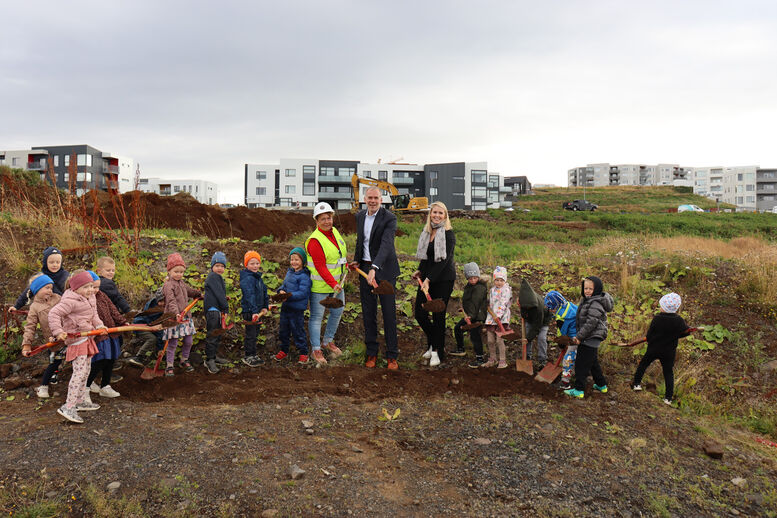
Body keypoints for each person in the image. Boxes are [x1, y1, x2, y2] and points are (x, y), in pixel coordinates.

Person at [350, 186, 400, 370]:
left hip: (384, 270)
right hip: (365, 269)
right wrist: (357, 260)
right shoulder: (360, 216)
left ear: (381, 199)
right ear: (365, 199)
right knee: (368, 313)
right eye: (369, 198)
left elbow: (386, 245)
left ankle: (392, 355)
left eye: (376, 198)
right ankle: (371, 352)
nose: (372, 201)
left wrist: (374, 267)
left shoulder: (389, 218)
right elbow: (361, 241)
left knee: (389, 313)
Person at [48, 270, 107, 423]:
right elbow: (54, 314)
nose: (90, 290)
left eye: (91, 286)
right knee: (79, 373)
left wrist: (100, 326)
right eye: (86, 287)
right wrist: (58, 331)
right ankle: (68, 406)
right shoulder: (70, 300)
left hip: (87, 337)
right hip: (76, 340)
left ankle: (80, 401)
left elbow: (94, 315)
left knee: (86, 371)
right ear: (75, 288)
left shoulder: (90, 297)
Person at [413, 201, 456, 367]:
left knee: (438, 316)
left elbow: (444, 261)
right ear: (430, 214)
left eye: (440, 213)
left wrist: (428, 279)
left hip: (443, 280)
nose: (437, 215)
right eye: (434, 212)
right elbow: (426, 257)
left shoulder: (449, 234)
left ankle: (437, 352)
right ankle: (434, 342)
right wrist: (420, 271)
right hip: (427, 279)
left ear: (445, 216)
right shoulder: (427, 232)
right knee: (420, 313)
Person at [305, 202, 348, 365]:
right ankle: (316, 350)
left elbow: (338, 255)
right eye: (323, 219)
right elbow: (320, 266)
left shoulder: (334, 232)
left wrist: (346, 265)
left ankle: (327, 341)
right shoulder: (314, 241)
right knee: (317, 317)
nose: (327, 221)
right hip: (321, 286)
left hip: (337, 284)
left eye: (329, 218)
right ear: (316, 221)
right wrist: (332, 283)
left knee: (337, 311)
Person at [632, 292, 691, 405]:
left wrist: (650, 339)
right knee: (668, 372)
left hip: (654, 348)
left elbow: (649, 335)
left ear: (664, 307)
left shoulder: (657, 318)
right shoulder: (679, 320)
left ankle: (636, 384)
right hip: (669, 352)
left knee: (643, 364)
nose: (660, 307)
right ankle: (668, 398)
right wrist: (679, 334)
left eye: (661, 305)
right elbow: (684, 333)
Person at [564, 276, 613, 399]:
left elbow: (591, 323)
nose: (587, 291)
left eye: (591, 289)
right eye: (585, 288)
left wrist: (579, 337)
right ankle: (601, 385)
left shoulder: (595, 303)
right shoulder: (588, 300)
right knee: (592, 362)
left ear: (597, 289)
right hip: (590, 336)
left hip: (590, 337)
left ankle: (579, 389)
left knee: (581, 364)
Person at [20, 274, 61, 399]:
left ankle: (85, 383)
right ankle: (43, 386)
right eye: (46, 288)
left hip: (68, 335)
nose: (50, 291)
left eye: (51, 288)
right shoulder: (35, 307)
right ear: (36, 289)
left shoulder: (57, 298)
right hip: (54, 340)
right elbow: (30, 326)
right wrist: (27, 344)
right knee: (55, 362)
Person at [161, 253, 202, 376]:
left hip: (185, 317)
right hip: (174, 318)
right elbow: (171, 301)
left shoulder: (182, 283)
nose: (179, 274)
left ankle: (184, 359)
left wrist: (198, 294)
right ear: (169, 271)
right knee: (173, 343)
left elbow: (189, 291)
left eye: (181, 272)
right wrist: (176, 313)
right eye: (176, 272)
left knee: (188, 341)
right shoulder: (168, 285)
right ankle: (169, 365)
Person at [88, 272, 126, 398]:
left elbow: (113, 309)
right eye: (93, 287)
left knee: (111, 359)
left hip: (110, 332)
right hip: (98, 335)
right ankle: (87, 384)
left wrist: (122, 321)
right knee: (101, 359)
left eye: (97, 287)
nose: (96, 290)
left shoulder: (102, 295)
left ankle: (105, 385)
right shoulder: (86, 299)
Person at [274, 247, 311, 363]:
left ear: (302, 261)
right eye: (292, 259)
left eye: (296, 260)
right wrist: (281, 291)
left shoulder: (304, 276)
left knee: (297, 330)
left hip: (296, 309)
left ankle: (304, 353)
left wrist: (289, 296)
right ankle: (284, 350)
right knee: (283, 330)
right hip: (286, 307)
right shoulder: (289, 272)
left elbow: (303, 293)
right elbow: (284, 285)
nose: (293, 262)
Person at [11, 246, 68, 312]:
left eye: (58, 262)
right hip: (44, 308)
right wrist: (16, 306)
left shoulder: (66, 276)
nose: (55, 265)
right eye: (51, 262)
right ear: (45, 263)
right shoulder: (41, 277)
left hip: (63, 306)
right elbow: (28, 292)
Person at [452, 262, 488, 367]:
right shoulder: (469, 286)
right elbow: (468, 301)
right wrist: (465, 310)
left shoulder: (480, 288)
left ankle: (480, 358)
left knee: (475, 335)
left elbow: (475, 303)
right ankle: (461, 349)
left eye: (475, 278)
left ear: (478, 276)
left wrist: (471, 316)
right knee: (458, 328)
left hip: (477, 316)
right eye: (470, 278)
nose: (472, 280)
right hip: (470, 315)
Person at [544, 290, 578, 390]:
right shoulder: (569, 306)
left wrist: (561, 342)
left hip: (574, 339)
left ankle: (565, 382)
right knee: (579, 357)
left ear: (555, 306)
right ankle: (581, 374)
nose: (551, 311)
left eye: (551, 308)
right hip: (582, 335)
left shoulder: (561, 317)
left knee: (568, 359)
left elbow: (562, 332)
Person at [240, 250, 269, 367]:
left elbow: (264, 293)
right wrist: (254, 311)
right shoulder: (247, 279)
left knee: (255, 334)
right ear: (246, 265)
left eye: (257, 263)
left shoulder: (258, 278)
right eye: (252, 263)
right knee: (251, 334)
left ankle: (254, 354)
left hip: (257, 311)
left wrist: (265, 306)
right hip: (250, 311)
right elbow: (249, 296)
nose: (255, 266)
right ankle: (248, 356)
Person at [203, 252, 230, 373]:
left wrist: (223, 301)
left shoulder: (216, 277)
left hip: (216, 310)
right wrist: (225, 308)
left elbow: (218, 293)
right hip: (213, 311)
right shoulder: (213, 277)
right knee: (213, 335)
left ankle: (213, 356)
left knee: (217, 334)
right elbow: (219, 294)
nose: (220, 268)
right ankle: (209, 360)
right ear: (212, 266)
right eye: (217, 265)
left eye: (222, 266)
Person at [126, 289, 165, 367]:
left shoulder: (162, 307)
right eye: (159, 301)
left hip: (148, 325)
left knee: (159, 337)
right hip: (140, 325)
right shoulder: (153, 308)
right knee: (152, 339)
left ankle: (152, 356)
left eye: (163, 301)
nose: (160, 303)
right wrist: (160, 348)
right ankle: (138, 357)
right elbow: (158, 329)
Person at [518, 279, 553, 366]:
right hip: (530, 319)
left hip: (543, 320)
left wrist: (529, 338)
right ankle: (527, 356)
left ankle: (542, 359)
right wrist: (527, 338)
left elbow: (537, 326)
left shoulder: (538, 307)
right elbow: (523, 315)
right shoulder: (523, 300)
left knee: (541, 338)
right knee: (526, 337)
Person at [483, 266, 512, 369]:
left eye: (501, 280)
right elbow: (491, 303)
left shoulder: (506, 290)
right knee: (490, 340)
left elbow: (503, 303)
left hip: (501, 318)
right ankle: (492, 359)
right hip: (491, 318)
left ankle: (502, 360)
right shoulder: (492, 290)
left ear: (505, 280)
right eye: (497, 280)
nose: (499, 282)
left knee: (499, 340)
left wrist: (498, 316)